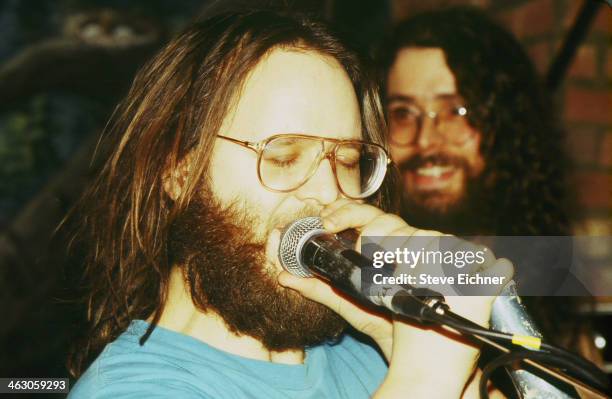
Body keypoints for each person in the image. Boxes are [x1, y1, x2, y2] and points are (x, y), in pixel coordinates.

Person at [65, 9, 512, 398]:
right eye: (283, 157)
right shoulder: (132, 389)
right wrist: (423, 383)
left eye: (349, 159)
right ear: (178, 170)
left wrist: (441, 367)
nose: (328, 192)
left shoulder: (383, 354)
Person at [379, 6, 600, 366]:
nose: (427, 141)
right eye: (402, 113)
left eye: (457, 111)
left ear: (507, 129)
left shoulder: (545, 281)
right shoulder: (365, 273)